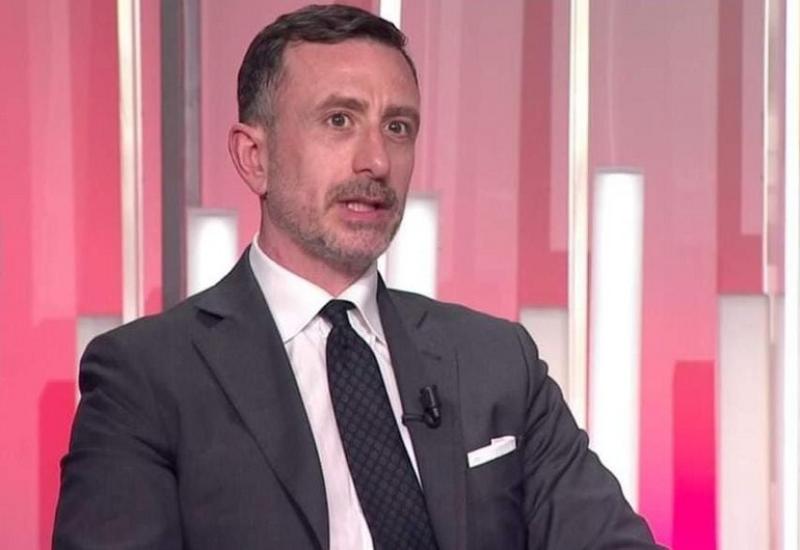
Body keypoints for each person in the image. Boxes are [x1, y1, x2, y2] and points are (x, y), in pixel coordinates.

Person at [54, 4, 661, 549]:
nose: (376, 161)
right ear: (253, 157)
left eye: (397, 127)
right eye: (339, 120)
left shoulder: (498, 361)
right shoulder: (147, 377)